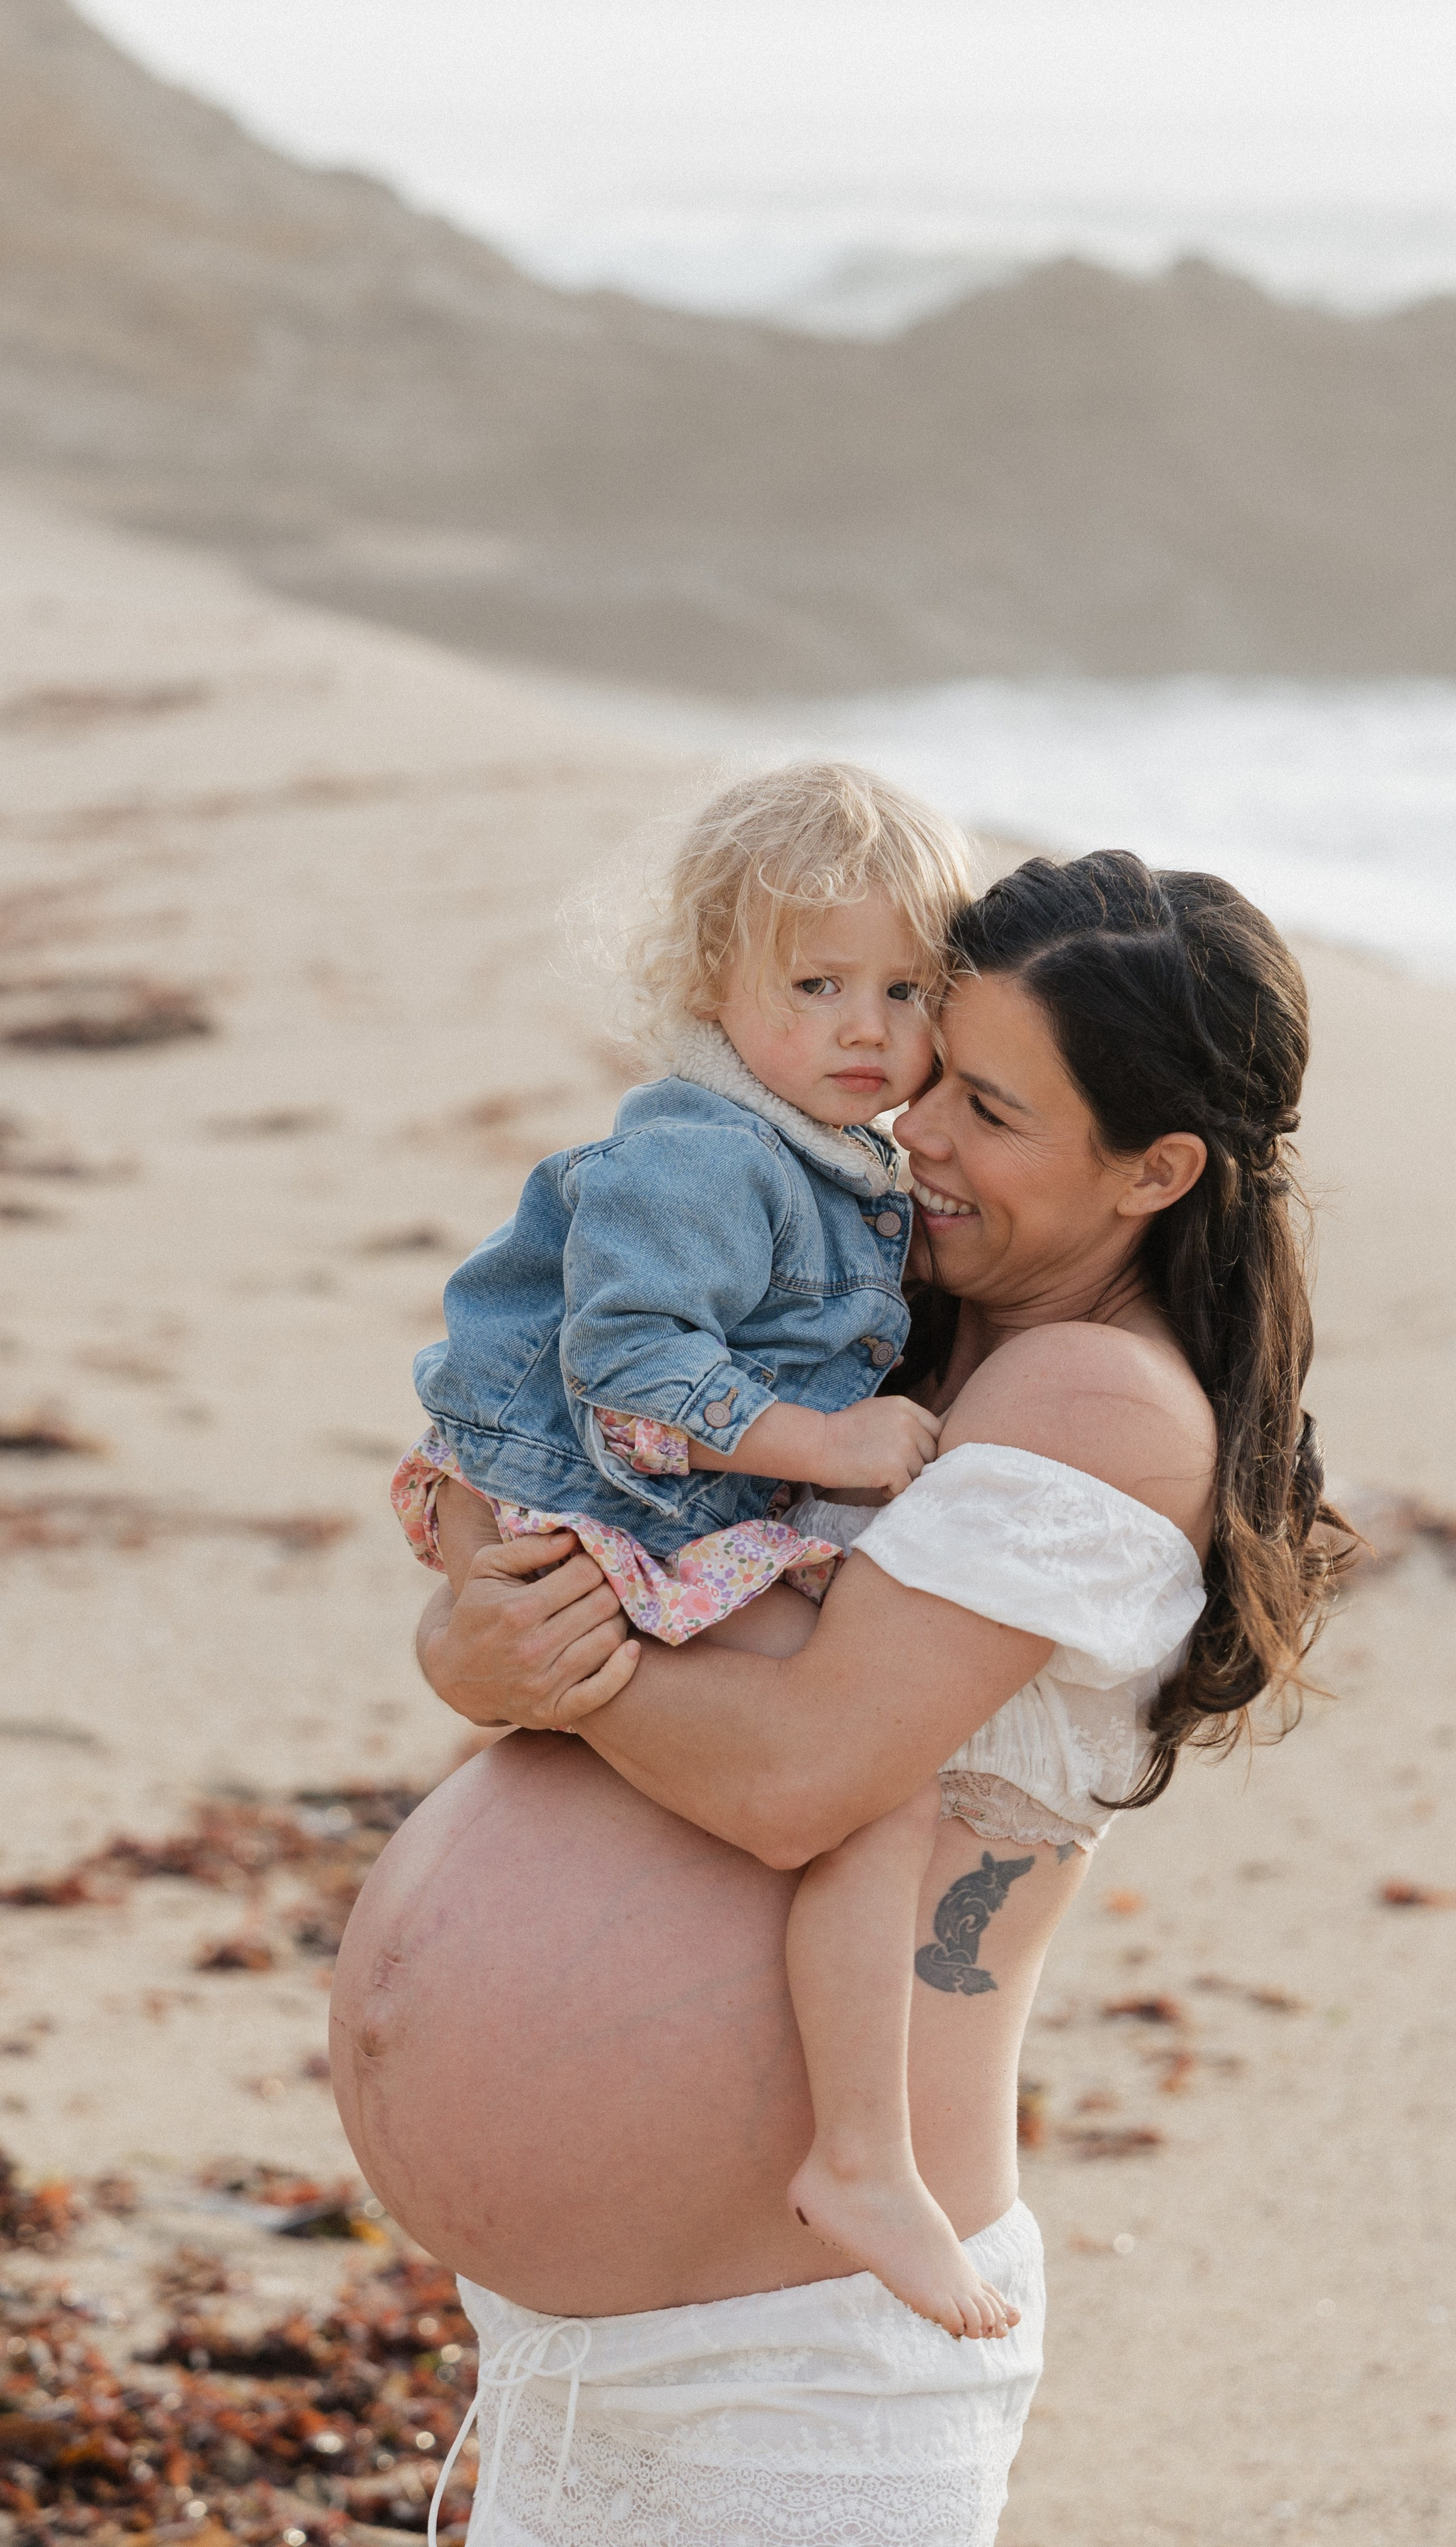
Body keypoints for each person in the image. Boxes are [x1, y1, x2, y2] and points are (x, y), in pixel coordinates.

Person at [331, 849, 1351, 2547]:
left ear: (1152, 1168)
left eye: (994, 1111)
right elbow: (604, 1591)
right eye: (928, 1070)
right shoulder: (862, 1338)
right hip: (597, 2350)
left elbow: (794, 1780)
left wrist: (552, 1663)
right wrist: (472, 1645)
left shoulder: (1093, 1397)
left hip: (797, 2376)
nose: (921, 1130)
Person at [387, 760, 1013, 2336]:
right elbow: (629, 1360)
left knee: (857, 1784)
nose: (863, 1028)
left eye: (902, 988)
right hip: (609, 1496)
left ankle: (860, 2147)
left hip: (649, 1504)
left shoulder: (832, 1148)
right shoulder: (706, 1149)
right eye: (813, 986)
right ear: (707, 986)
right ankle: (862, 2156)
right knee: (866, 1795)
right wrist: (826, 1446)